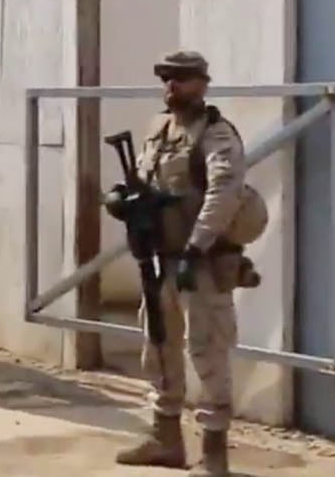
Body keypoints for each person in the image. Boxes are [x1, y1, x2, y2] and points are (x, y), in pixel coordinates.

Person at [113, 50, 247, 477]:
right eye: (167, 79)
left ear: (202, 84)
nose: (172, 87)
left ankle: (213, 455)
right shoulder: (158, 129)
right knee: (158, 348)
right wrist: (121, 199)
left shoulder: (216, 134)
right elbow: (145, 178)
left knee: (207, 353)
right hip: (158, 261)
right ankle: (166, 439)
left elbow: (223, 194)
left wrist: (196, 247)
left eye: (182, 79)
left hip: (200, 263)